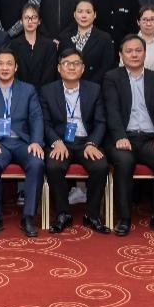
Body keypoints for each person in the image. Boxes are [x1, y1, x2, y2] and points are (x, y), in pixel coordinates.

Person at [103, 35, 154, 236]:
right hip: (123, 137)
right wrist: (119, 136)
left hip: (150, 139)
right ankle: (124, 218)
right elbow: (112, 111)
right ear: (121, 55)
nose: (134, 55)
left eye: (138, 50)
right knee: (124, 162)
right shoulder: (112, 78)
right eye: (129, 51)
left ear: (145, 53)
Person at [41, 49, 110, 234]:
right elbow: (45, 123)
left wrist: (92, 143)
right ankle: (63, 214)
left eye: (76, 63)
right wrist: (56, 141)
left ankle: (92, 214)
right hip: (61, 142)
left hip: (86, 142)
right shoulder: (47, 91)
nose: (71, 67)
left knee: (100, 166)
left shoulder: (94, 89)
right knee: (54, 165)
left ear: (83, 68)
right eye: (66, 63)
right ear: (59, 68)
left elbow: (101, 122)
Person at [0, 51, 46, 238]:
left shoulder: (28, 90)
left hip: (23, 142)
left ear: (16, 67)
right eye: (0, 64)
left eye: (9, 64)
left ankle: (28, 217)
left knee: (37, 163)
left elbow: (36, 117)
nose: (5, 67)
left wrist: (36, 141)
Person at [62, 0, 115, 84]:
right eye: (80, 11)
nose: (84, 16)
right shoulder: (65, 37)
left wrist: (89, 86)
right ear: (74, 14)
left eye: (88, 12)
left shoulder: (104, 38)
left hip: (95, 87)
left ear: (95, 15)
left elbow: (107, 67)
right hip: (68, 86)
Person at [9, 4, 58, 88]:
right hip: (20, 92)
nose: (30, 21)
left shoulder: (50, 46)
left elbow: (49, 75)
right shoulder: (13, 45)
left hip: (44, 92)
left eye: (34, 17)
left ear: (39, 21)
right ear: (21, 21)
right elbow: (14, 73)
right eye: (26, 17)